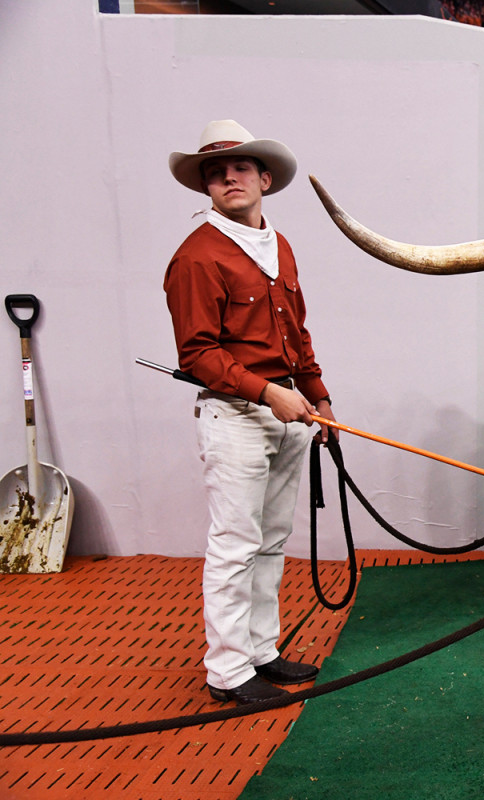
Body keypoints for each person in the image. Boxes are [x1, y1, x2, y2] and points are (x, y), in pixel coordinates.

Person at [164, 120, 337, 705]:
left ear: (264, 179)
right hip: (236, 415)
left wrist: (319, 395)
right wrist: (269, 394)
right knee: (236, 543)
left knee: (271, 539)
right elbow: (198, 354)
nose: (227, 177)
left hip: (290, 412)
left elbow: (298, 331)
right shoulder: (195, 257)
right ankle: (228, 672)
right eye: (215, 172)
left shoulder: (279, 245)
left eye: (239, 168)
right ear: (206, 188)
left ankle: (262, 650)